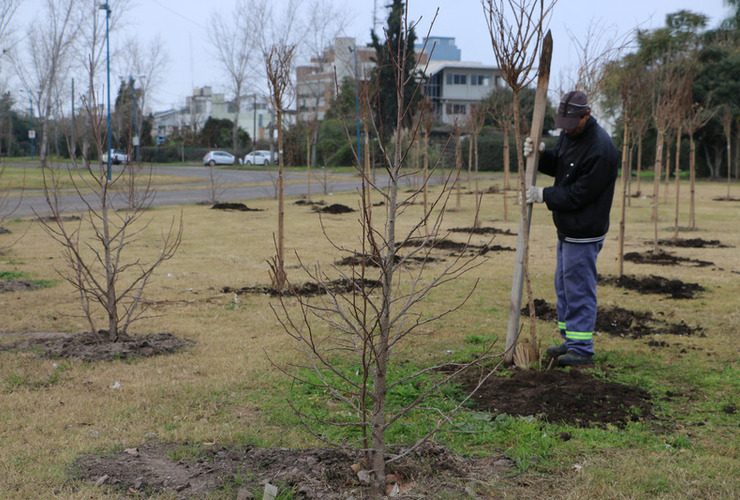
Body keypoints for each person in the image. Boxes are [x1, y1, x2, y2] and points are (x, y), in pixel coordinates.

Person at [523, 90, 618, 366]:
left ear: (586, 115)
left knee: (578, 288)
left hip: (585, 231)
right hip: (567, 229)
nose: (565, 129)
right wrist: (541, 155)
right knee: (563, 287)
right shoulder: (570, 132)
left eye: (570, 123)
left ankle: (582, 350)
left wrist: (544, 195)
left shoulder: (601, 149)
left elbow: (578, 193)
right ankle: (570, 341)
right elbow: (562, 165)